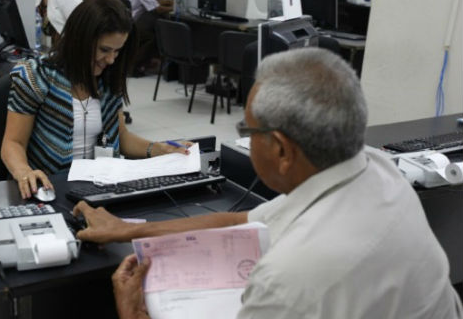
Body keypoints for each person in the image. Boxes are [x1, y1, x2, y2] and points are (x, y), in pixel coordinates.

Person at [73, 48, 463, 319]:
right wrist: (130, 230)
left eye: (249, 130)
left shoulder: (288, 279)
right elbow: (248, 220)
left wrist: (133, 312)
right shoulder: (375, 169)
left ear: (281, 150)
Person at [1, 0, 190, 199]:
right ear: (80, 40)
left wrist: (159, 149)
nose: (110, 59)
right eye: (104, 50)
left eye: (117, 51)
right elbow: (13, 143)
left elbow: (122, 138)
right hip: (52, 188)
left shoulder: (108, 79)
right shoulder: (36, 75)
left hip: (101, 189)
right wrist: (24, 172)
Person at [120, 0, 172, 77]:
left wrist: (166, 1)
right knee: (152, 37)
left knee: (148, 29)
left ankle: (143, 64)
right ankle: (133, 67)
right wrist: (174, 8)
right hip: (130, 25)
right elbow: (157, 10)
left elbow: (149, 1)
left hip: (120, 21)